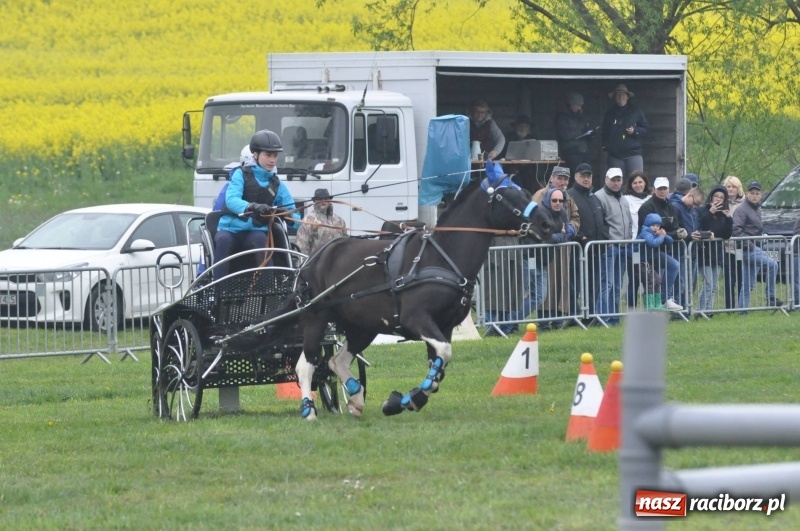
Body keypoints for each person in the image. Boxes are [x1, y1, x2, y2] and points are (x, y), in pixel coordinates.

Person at [214, 129, 300, 279]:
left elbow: (296, 218)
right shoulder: (240, 174)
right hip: (230, 229)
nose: (272, 160)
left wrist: (285, 215)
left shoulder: (278, 185)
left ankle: (268, 291)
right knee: (223, 240)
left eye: (275, 156)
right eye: (268, 155)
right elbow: (232, 200)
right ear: (255, 154)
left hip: (255, 232)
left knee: (260, 239)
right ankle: (218, 290)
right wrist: (253, 206)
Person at [532, 165, 581, 327]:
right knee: (547, 285)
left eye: (565, 179)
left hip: (564, 248)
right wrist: (554, 231)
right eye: (559, 178)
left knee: (562, 283)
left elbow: (575, 217)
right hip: (546, 249)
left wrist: (571, 228)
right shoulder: (540, 195)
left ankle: (559, 318)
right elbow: (535, 220)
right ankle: (545, 320)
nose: (562, 182)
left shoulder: (568, 197)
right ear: (551, 178)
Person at [732, 181, 782, 313]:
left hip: (755, 247)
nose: (754, 196)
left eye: (757, 193)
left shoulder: (756, 210)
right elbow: (736, 229)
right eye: (752, 193)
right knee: (773, 265)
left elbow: (755, 229)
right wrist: (749, 244)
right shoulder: (742, 210)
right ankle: (771, 298)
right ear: (747, 194)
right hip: (749, 249)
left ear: (761, 195)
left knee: (748, 285)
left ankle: (743, 312)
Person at [592, 167, 633, 325]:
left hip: (623, 246)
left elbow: (629, 222)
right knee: (606, 283)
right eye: (613, 180)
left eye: (619, 180)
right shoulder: (598, 197)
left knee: (617, 285)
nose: (616, 183)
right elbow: (599, 223)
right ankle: (601, 317)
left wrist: (628, 238)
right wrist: (606, 240)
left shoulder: (624, 199)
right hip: (609, 246)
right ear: (606, 180)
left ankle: (614, 317)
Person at [636, 177, 684, 311]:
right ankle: (661, 301)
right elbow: (646, 232)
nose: (662, 191)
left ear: (669, 189)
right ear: (654, 189)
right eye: (660, 189)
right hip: (647, 251)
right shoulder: (647, 207)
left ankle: (661, 302)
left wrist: (675, 234)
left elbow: (674, 228)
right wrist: (667, 234)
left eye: (665, 189)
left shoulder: (670, 205)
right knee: (655, 278)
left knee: (660, 277)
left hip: (662, 249)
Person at [566, 163, 606, 317]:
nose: (586, 179)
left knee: (593, 285)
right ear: (576, 177)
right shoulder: (569, 195)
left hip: (595, 250)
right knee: (574, 285)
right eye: (583, 176)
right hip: (576, 249)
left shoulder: (594, 197)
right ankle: (573, 315)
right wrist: (579, 236)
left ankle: (590, 315)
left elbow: (602, 220)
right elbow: (568, 220)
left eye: (588, 176)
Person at [695, 185, 733, 315]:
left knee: (714, 285)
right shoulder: (702, 211)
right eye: (716, 196)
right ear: (711, 197)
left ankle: (709, 310)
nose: (718, 199)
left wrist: (729, 220)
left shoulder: (723, 214)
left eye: (721, 197)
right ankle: (700, 311)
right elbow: (701, 226)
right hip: (704, 253)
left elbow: (726, 235)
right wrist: (710, 213)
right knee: (708, 284)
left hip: (716, 253)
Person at [601, 84, 649, 180]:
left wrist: (635, 131)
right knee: (616, 183)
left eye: (623, 95)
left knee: (636, 181)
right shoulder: (610, 113)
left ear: (627, 97)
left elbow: (645, 128)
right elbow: (604, 132)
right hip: (615, 156)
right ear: (614, 97)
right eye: (618, 95)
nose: (621, 97)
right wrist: (607, 146)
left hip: (633, 154)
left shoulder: (636, 111)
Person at [669, 178, 703, 310]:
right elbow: (676, 229)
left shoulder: (692, 210)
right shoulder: (676, 207)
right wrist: (689, 236)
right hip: (679, 251)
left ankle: (686, 308)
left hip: (691, 252)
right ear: (689, 195)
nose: (695, 206)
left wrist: (701, 233)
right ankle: (679, 310)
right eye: (695, 203)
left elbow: (696, 226)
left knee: (689, 283)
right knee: (681, 283)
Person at [622, 170, 652, 309]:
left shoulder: (651, 198)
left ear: (645, 183)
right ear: (630, 185)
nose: (638, 185)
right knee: (634, 279)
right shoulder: (626, 199)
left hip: (650, 244)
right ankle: (631, 309)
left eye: (640, 182)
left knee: (650, 278)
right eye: (635, 183)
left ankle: (650, 307)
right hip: (634, 245)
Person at [554, 91, 594, 187]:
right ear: (570, 104)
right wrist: (580, 133)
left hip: (583, 150)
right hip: (570, 151)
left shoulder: (581, 117)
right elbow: (564, 135)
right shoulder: (561, 118)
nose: (580, 108)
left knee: (587, 173)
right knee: (577, 175)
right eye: (577, 105)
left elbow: (586, 129)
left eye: (581, 105)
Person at [636, 213, 674, 311]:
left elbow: (670, 241)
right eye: (653, 225)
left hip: (646, 261)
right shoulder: (645, 231)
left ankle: (657, 304)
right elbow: (652, 243)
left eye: (658, 226)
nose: (656, 228)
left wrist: (664, 235)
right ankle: (649, 305)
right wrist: (660, 237)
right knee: (650, 280)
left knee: (657, 279)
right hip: (638, 260)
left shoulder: (655, 233)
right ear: (648, 225)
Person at [295, 188, 347, 255]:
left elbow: (345, 244)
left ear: (330, 201)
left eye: (326, 199)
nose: (323, 202)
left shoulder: (340, 221)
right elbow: (301, 247)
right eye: (320, 199)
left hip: (337, 263)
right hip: (316, 263)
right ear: (314, 201)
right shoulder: (308, 221)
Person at [500, 114, 538, 193]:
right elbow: (502, 155)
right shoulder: (508, 138)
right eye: (520, 126)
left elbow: (537, 156)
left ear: (529, 129)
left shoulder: (534, 139)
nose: (522, 128)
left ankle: (530, 197)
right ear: (515, 127)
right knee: (512, 176)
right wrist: (510, 167)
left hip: (528, 168)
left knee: (530, 176)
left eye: (525, 126)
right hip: (511, 168)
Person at [722, 175, 745, 309]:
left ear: (738, 188)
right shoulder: (722, 202)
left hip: (741, 246)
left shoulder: (744, 204)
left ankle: (742, 306)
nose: (730, 189)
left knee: (741, 277)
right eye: (728, 186)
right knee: (729, 279)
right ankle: (729, 307)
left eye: (733, 186)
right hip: (726, 247)